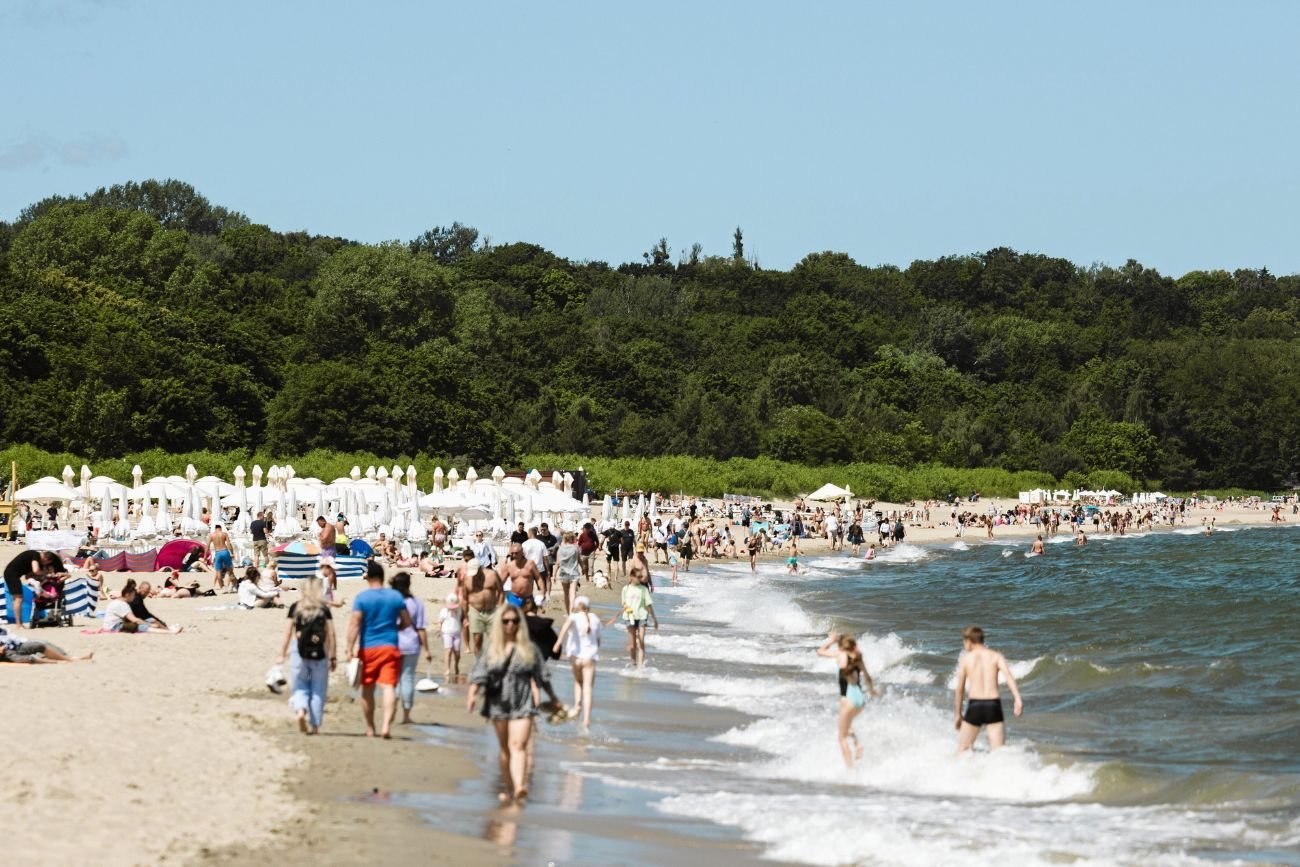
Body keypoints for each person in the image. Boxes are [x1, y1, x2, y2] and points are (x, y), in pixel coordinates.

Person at [466, 605, 561, 806]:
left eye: (515, 621)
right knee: (505, 749)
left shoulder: (529, 649)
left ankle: (519, 786)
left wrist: (553, 698)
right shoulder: (492, 648)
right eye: (506, 621)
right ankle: (508, 787)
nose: (510, 625)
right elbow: (479, 672)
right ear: (500, 624)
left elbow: (542, 676)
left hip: (523, 701)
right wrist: (473, 694)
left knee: (518, 746)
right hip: (498, 702)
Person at [346, 561, 412, 739]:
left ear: (367, 577)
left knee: (367, 689)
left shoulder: (362, 597)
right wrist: (394, 630)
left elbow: (355, 624)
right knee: (389, 687)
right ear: (383, 577)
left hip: (368, 647)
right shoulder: (395, 597)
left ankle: (370, 727)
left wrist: (349, 649)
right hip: (390, 646)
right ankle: (385, 727)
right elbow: (407, 622)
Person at [277, 577, 336, 734]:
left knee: (300, 686)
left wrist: (282, 653)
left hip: (299, 650)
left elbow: (288, 631)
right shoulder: (323, 609)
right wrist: (333, 656)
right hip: (320, 651)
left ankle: (301, 711)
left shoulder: (296, 607)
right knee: (318, 689)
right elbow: (331, 634)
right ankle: (315, 725)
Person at [954, 625, 1024, 752]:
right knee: (999, 752)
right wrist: (1017, 699)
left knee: (963, 750)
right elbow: (1008, 676)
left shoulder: (966, 659)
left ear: (969, 641)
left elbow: (960, 689)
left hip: (975, 705)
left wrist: (958, 714)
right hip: (993, 705)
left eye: (964, 642)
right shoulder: (996, 656)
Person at [817, 631, 880, 768]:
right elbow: (868, 678)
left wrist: (831, 640)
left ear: (841, 646)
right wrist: (871, 690)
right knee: (847, 726)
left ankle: (851, 771)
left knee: (841, 738)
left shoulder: (840, 655)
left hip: (848, 701)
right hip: (860, 701)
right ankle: (858, 745)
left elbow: (820, 651)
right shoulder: (858, 658)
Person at [552, 595, 601, 733]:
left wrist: (557, 643)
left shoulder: (573, 617)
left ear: (576, 606)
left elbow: (564, 630)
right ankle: (586, 721)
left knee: (578, 682)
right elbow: (598, 641)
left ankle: (577, 706)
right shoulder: (595, 618)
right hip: (590, 658)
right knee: (588, 688)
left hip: (576, 657)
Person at [391, 572, 432, 725]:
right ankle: (406, 715)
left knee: (394, 680)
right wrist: (426, 649)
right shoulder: (417, 603)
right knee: (407, 679)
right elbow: (421, 628)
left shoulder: (392, 602)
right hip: (412, 644)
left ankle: (391, 712)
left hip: (393, 643)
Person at [608, 571, 657, 667]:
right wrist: (626, 606)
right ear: (631, 577)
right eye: (638, 577)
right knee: (632, 645)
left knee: (641, 641)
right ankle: (634, 661)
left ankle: (641, 665)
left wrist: (654, 619)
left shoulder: (643, 589)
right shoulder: (626, 589)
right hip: (629, 617)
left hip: (642, 617)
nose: (640, 579)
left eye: (641, 577)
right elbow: (624, 602)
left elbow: (648, 605)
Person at [461, 557, 503, 656]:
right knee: (477, 639)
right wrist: (465, 616)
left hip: (492, 610)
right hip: (475, 610)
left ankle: (494, 663)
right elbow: (465, 598)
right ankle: (479, 663)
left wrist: (500, 607)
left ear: (480, 568)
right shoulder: (467, 579)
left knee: (495, 639)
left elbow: (500, 592)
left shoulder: (492, 575)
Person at [0, 633, 93, 663]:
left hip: (13, 643)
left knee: (42, 643)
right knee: (35, 651)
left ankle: (68, 657)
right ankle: (65, 660)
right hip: (7, 650)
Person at [500, 543, 540, 610]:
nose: (514, 555)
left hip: (528, 597)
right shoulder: (508, 565)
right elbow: (500, 582)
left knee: (530, 617)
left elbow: (538, 578)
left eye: (516, 553)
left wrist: (542, 592)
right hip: (513, 596)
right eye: (512, 553)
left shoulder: (530, 564)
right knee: (515, 618)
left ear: (522, 553)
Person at [555, 531, 582, 614]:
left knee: (566, 594)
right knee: (572, 592)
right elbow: (579, 560)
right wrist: (584, 568)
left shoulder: (561, 548)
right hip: (574, 573)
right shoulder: (575, 548)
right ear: (571, 538)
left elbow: (558, 563)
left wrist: (554, 575)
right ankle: (571, 612)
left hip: (563, 574)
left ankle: (568, 613)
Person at [438, 592, 463, 680]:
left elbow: (462, 619)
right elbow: (440, 622)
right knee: (448, 651)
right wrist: (439, 631)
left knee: (457, 653)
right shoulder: (444, 611)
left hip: (457, 633)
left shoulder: (459, 610)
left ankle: (456, 665)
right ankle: (447, 669)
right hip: (447, 633)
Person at [521, 527, 550, 601]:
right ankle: (541, 602)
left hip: (528, 569)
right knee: (541, 588)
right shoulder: (541, 544)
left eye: (528, 533)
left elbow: (521, 557)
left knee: (528, 587)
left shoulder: (524, 544)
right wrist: (548, 570)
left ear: (530, 533)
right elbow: (545, 558)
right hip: (539, 569)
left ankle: (529, 602)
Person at [209, 524, 235, 592]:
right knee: (230, 570)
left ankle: (222, 587)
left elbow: (207, 546)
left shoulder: (212, 535)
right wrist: (232, 553)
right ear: (220, 528)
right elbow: (229, 544)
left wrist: (205, 556)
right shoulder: (224, 534)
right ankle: (231, 586)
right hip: (225, 551)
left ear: (215, 529)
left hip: (218, 552)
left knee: (218, 571)